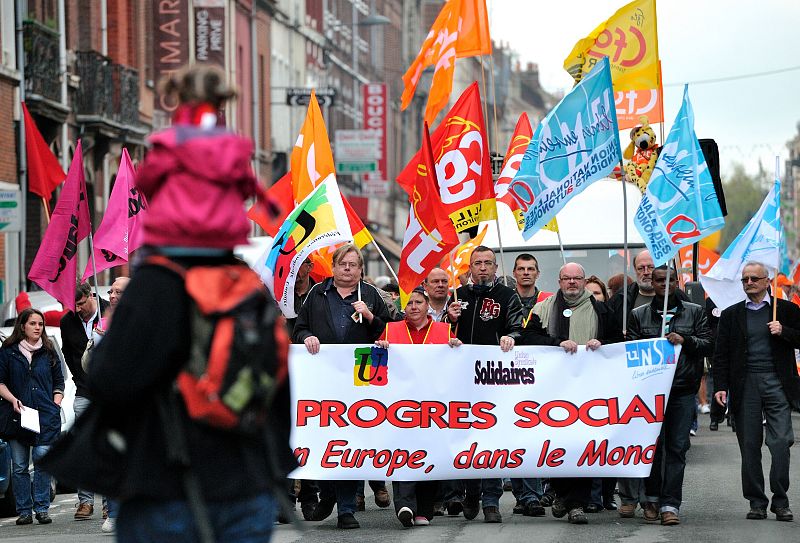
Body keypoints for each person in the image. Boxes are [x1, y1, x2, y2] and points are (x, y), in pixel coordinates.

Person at [86, 64, 293, 542]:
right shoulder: (247, 287)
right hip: (245, 489)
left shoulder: (155, 285)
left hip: (165, 486)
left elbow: (107, 379)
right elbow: (278, 389)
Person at [293, 243, 392, 529]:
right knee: (327, 441)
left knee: (353, 443)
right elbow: (299, 329)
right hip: (324, 380)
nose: (347, 269)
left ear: (361, 270)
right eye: (342, 264)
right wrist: (307, 337)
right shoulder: (317, 294)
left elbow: (390, 329)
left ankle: (346, 508)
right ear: (333, 267)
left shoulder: (371, 295)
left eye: (353, 265)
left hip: (361, 382)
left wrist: (372, 317)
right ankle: (328, 495)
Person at [530, 262, 617, 525]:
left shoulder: (602, 309)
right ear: (559, 281)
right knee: (556, 444)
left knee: (583, 444)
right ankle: (561, 492)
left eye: (576, 278)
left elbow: (620, 342)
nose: (571, 283)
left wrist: (602, 344)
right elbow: (528, 338)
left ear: (583, 280)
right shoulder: (543, 309)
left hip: (590, 390)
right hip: (554, 389)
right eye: (566, 279)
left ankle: (576, 503)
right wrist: (556, 344)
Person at [714, 262, 800, 522]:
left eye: (754, 278)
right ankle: (756, 501)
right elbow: (722, 354)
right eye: (745, 279)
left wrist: (783, 330)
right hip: (745, 384)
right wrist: (720, 386)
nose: (749, 282)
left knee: (781, 442)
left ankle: (781, 500)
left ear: (767, 282)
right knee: (749, 445)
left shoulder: (785, 310)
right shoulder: (731, 315)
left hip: (777, 382)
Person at [627, 265, 713, 526]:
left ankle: (670, 504)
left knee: (677, 449)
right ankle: (650, 499)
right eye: (660, 279)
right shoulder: (638, 315)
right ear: (652, 283)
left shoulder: (695, 312)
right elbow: (630, 350)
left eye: (670, 280)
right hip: (649, 394)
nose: (665, 284)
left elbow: (709, 344)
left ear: (679, 282)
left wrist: (685, 339)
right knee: (652, 449)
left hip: (682, 392)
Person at [444, 245, 523, 524]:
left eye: (488, 263)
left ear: (495, 268)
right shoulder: (458, 296)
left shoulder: (507, 295)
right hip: (461, 380)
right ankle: (471, 491)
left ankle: (491, 500)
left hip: (494, 379)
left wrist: (511, 336)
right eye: (477, 263)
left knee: (493, 439)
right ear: (470, 267)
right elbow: (440, 334)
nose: (483, 268)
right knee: (467, 439)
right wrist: (449, 320)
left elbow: (518, 328)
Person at [375, 287, 461, 527]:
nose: (413, 306)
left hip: (434, 407)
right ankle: (405, 505)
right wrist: (379, 348)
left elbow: (456, 367)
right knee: (402, 455)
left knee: (429, 456)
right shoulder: (392, 329)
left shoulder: (444, 331)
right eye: (410, 303)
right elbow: (376, 365)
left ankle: (424, 509)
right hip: (399, 406)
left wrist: (456, 348)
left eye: (418, 302)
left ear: (427, 306)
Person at [0, 308, 64, 525]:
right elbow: (0, 382)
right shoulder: (8, 351)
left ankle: (42, 508)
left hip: (45, 416)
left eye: (41, 324)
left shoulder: (48, 351)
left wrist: (55, 404)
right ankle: (25, 511)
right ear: (23, 326)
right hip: (17, 415)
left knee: (42, 460)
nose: (38, 328)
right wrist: (12, 399)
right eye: (33, 324)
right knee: (19, 466)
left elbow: (59, 382)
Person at [60, 282, 109, 521]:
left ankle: (110, 503)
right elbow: (68, 353)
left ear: (91, 295)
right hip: (84, 391)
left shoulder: (109, 312)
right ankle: (85, 502)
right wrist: (79, 378)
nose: (78, 309)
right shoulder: (67, 321)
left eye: (81, 303)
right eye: (74, 305)